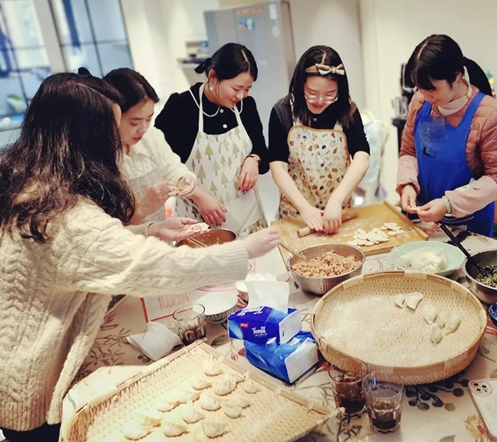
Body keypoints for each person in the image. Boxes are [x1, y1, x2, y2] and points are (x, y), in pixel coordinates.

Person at [0, 73, 279, 441]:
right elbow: (151, 267)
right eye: (112, 131)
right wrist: (242, 251)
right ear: (86, 138)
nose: (118, 142)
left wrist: (149, 231)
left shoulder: (30, 181)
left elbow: (78, 254)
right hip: (31, 379)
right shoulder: (65, 216)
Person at [397, 35, 497, 237]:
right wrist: (407, 185)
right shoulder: (419, 102)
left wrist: (448, 204)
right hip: (422, 218)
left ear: (457, 76)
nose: (426, 96)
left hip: (468, 224)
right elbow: (409, 151)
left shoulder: (490, 115)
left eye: (432, 89)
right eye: (420, 88)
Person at [155, 43, 269, 235]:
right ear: (213, 76)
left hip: (248, 218)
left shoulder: (246, 106)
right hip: (198, 223)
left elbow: (262, 151)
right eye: (236, 88)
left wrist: (254, 159)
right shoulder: (181, 107)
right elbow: (161, 164)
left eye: (248, 89)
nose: (241, 96)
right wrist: (198, 195)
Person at [269, 45, 370, 234]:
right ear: (300, 83)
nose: (320, 101)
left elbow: (362, 156)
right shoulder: (283, 111)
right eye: (312, 93)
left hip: (337, 214)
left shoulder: (347, 110)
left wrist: (337, 200)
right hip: (296, 214)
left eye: (330, 94)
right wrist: (304, 208)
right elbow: (277, 166)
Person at [103, 68, 219, 225]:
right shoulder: (99, 158)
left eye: (149, 119)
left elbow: (172, 168)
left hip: (160, 234)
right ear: (112, 115)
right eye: (134, 122)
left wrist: (185, 180)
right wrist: (144, 206)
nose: (143, 129)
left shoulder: (152, 137)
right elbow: (107, 226)